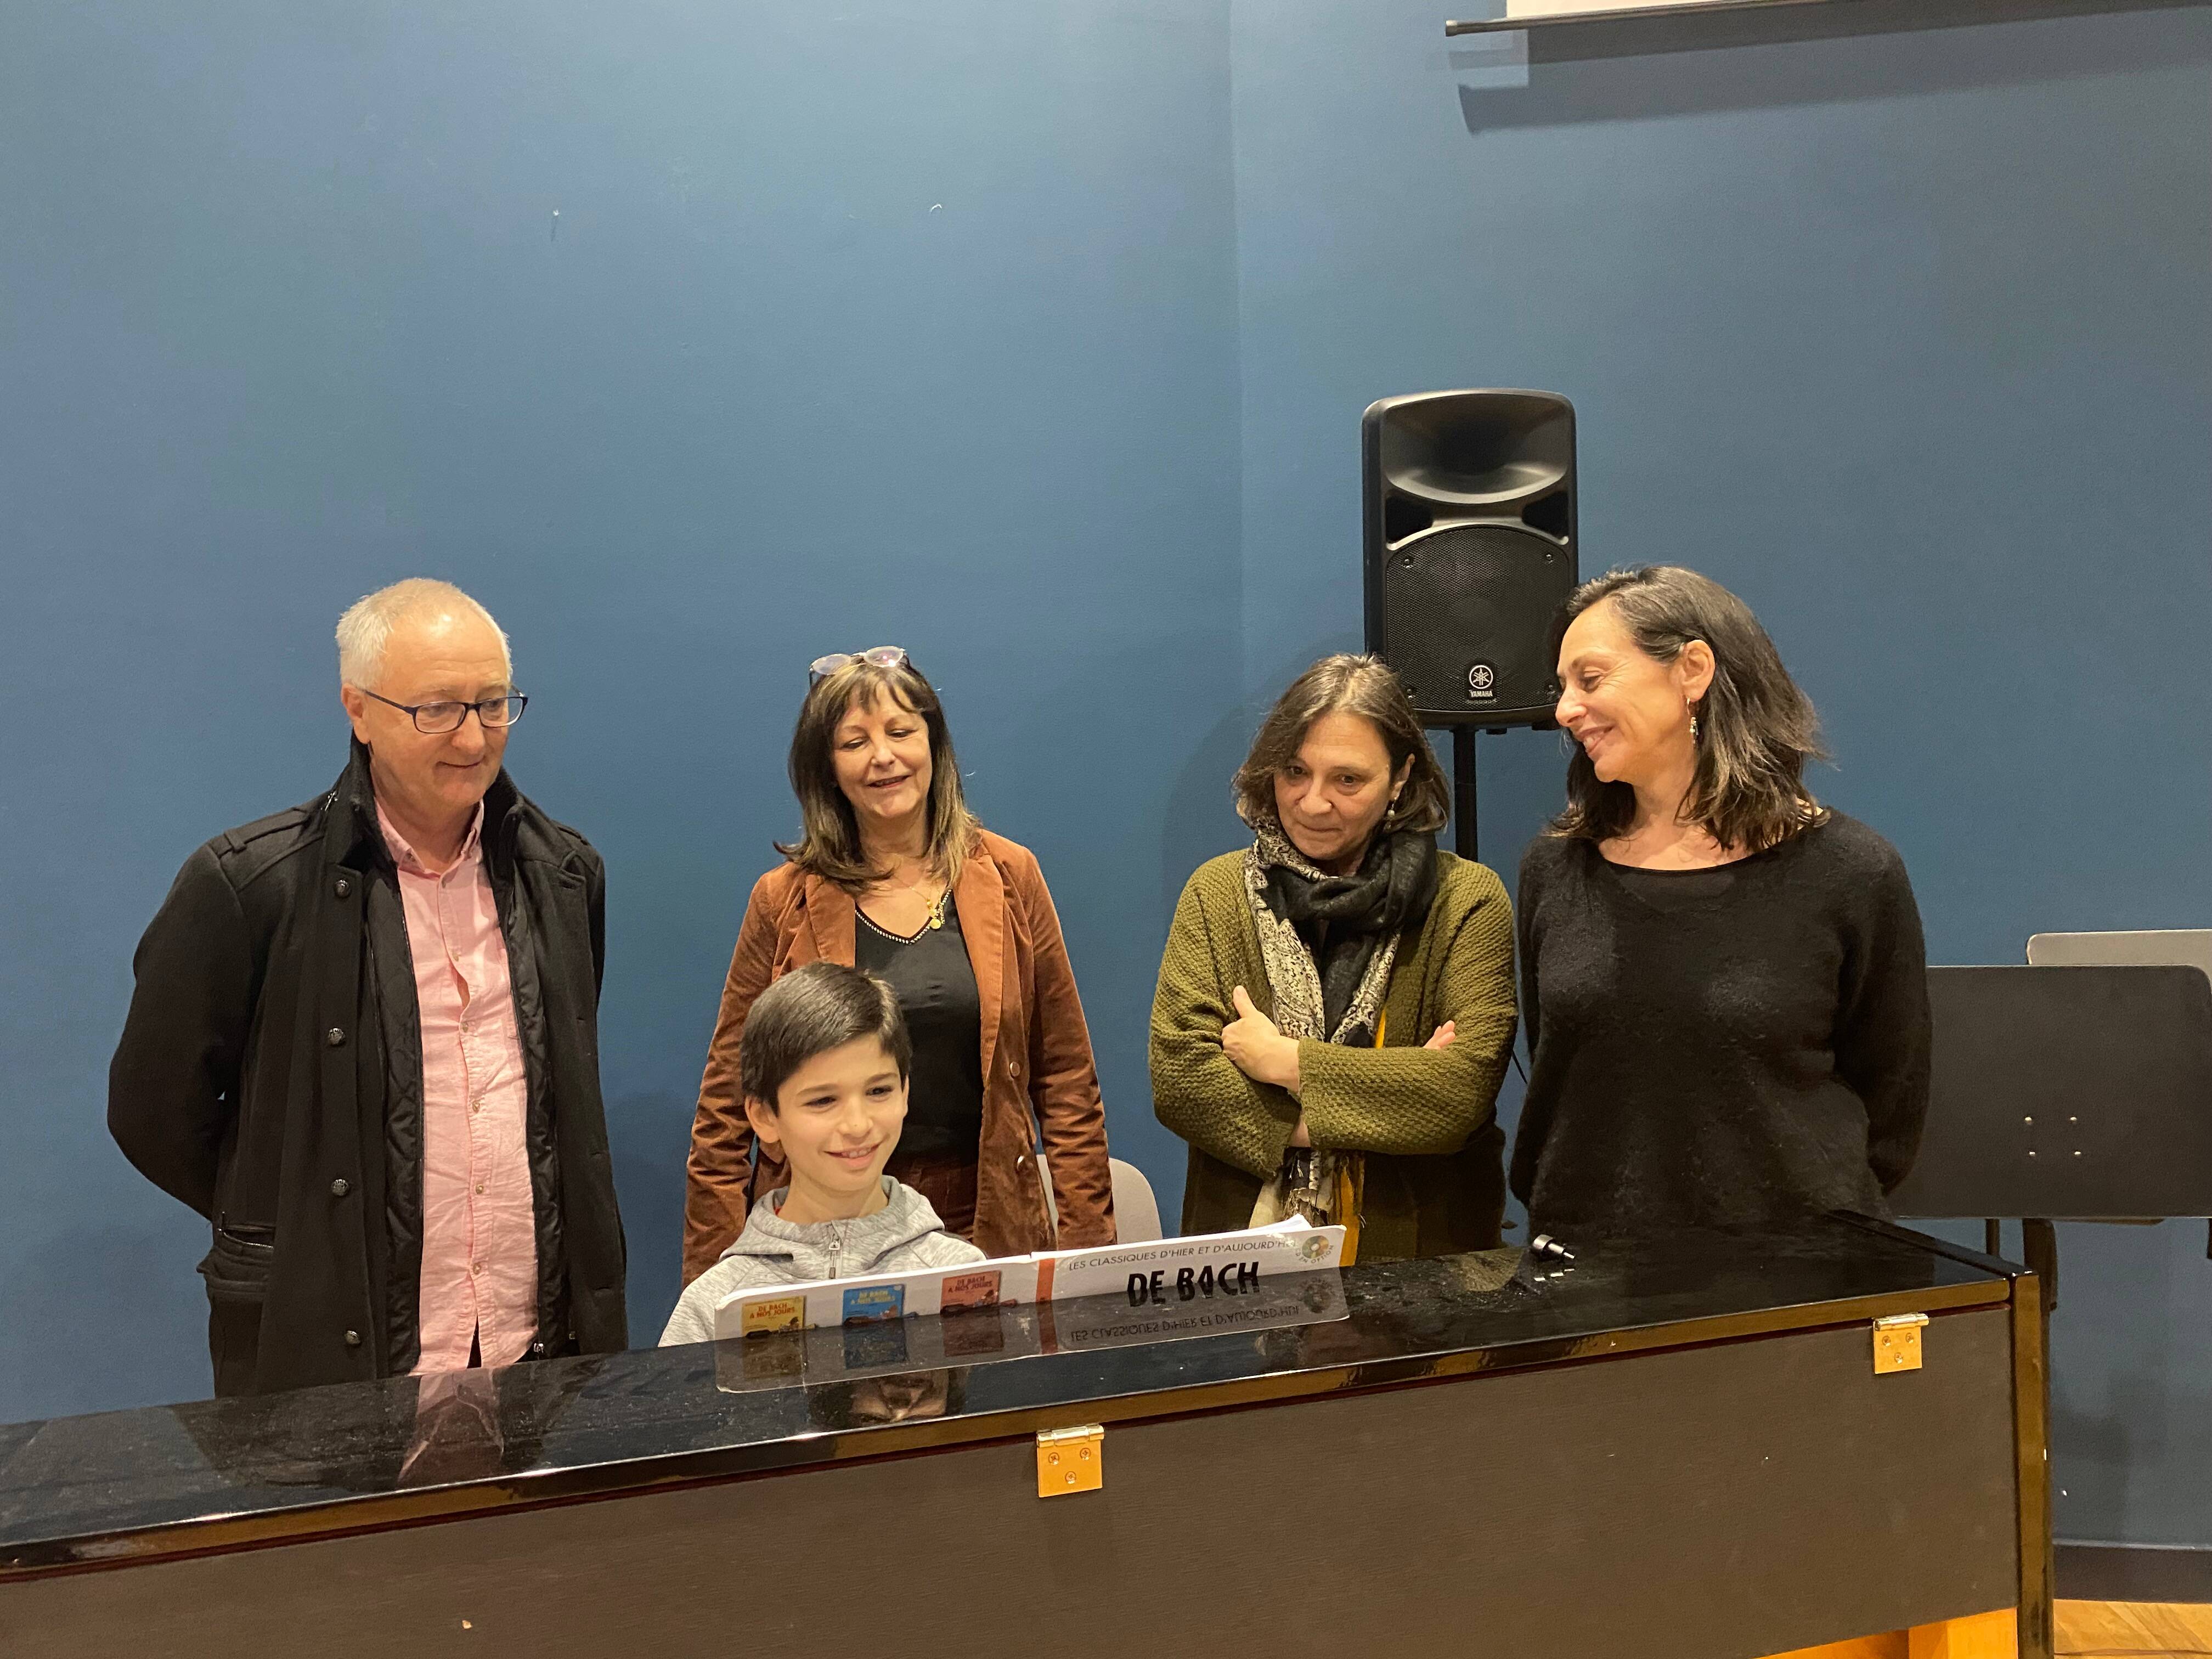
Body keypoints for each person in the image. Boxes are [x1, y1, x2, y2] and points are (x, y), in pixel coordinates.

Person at [108, 579, 628, 1396]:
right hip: (330, 1357)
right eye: (438, 709)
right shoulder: (251, 886)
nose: (473, 737)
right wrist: (307, 1220)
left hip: (537, 1354)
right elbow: (152, 1113)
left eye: (493, 704)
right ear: (359, 709)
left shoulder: (563, 874)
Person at [1511, 566, 1932, 1239]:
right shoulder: (1557, 868)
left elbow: (1892, 1104)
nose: (1564, 710)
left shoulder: (1853, 872)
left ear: (1693, 671)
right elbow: (1561, 1081)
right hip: (1588, 1266)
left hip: (1795, 1272)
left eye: (1590, 679)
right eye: (1562, 687)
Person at [682, 649, 1113, 1281]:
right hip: (822, 1233)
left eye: (901, 731)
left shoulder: (1011, 875)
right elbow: (725, 1109)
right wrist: (717, 1284)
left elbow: (1068, 1082)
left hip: (985, 1219)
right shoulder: (781, 900)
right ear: (828, 768)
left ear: (934, 746)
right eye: (855, 742)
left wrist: (1087, 1267)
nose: (883, 756)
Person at [1150, 654, 1517, 1260]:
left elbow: (1458, 1096)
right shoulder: (1216, 893)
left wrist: (1285, 1061)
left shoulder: (1466, 899)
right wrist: (1391, 1098)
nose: (1313, 802)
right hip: (1244, 1266)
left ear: (1400, 779)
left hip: (1425, 1267)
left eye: (1348, 780)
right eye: (1295, 771)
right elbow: (1183, 1085)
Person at [664, 963, 985, 1344]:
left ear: (905, 1093)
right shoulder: (713, 1308)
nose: (857, 1125)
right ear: (764, 1116)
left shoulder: (963, 1278)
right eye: (823, 1101)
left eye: (878, 1091)